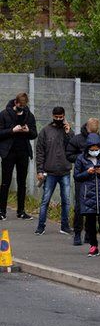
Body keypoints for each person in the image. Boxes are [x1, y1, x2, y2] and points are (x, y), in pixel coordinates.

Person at [66, 118, 100, 245]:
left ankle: (90, 235)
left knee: (95, 208)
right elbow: (69, 154)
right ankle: (77, 233)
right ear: (87, 129)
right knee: (80, 206)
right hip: (83, 177)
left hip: (97, 178)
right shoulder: (77, 140)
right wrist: (83, 159)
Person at [74, 134, 100, 257]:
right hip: (88, 195)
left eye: (96, 149)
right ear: (87, 149)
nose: (94, 152)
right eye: (91, 150)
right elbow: (77, 176)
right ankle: (93, 246)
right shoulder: (81, 159)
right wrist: (87, 172)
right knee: (90, 222)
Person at [34, 107, 74, 236]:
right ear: (52, 116)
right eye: (56, 117)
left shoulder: (67, 130)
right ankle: (40, 226)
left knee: (66, 200)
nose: (58, 119)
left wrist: (68, 132)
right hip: (49, 171)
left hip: (64, 171)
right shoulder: (45, 131)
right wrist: (39, 170)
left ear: (64, 116)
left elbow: (73, 147)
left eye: (60, 117)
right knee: (45, 200)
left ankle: (65, 226)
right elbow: (39, 151)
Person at [0, 92, 38, 220]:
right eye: (20, 106)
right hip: (8, 152)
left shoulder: (28, 115)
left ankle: (21, 211)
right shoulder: (4, 114)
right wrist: (12, 130)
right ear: (16, 103)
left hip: (23, 152)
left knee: (22, 182)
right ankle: (2, 211)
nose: (22, 108)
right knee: (6, 182)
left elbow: (34, 133)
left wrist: (28, 131)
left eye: (24, 106)